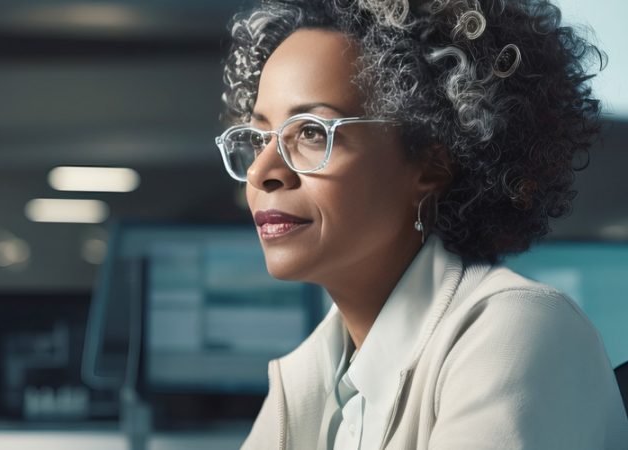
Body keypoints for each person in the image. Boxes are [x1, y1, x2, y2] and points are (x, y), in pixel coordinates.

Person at [215, 0, 628, 448]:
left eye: (313, 132)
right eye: (258, 138)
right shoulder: (312, 372)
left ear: (430, 167)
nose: (260, 172)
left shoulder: (517, 332)